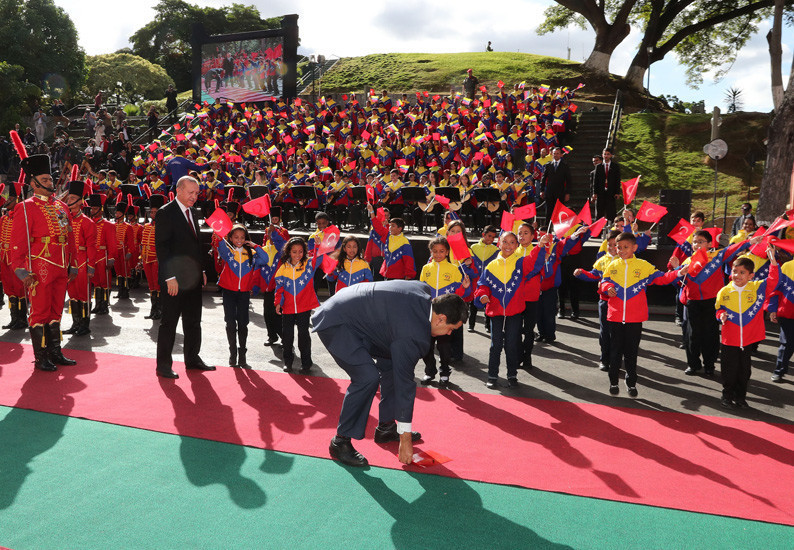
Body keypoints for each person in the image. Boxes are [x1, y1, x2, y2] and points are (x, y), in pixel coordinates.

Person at [313, 281, 467, 467]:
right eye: (450, 329)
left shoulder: (424, 294)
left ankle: (386, 427)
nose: (448, 334)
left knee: (392, 363)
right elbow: (405, 385)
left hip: (360, 319)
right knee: (367, 377)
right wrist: (406, 439)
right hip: (336, 322)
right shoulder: (413, 334)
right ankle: (340, 442)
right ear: (440, 319)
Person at [9, 154, 78, 371]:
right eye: (45, 180)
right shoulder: (25, 208)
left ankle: (55, 352)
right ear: (34, 183)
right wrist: (21, 271)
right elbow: (17, 243)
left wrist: (73, 262)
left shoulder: (62, 207)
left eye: (50, 179)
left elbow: (69, 237)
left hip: (61, 265)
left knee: (56, 310)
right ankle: (41, 357)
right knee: (40, 312)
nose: (50, 183)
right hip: (39, 267)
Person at [600, 232, 688, 397]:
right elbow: (603, 282)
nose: (621, 250)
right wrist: (606, 288)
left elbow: (661, 278)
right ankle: (613, 381)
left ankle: (631, 382)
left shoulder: (643, 265)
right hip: (615, 316)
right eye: (618, 247)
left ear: (634, 247)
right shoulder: (612, 265)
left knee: (631, 353)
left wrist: (678, 272)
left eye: (625, 247)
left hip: (635, 318)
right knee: (615, 351)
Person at [154, 175, 215, 379]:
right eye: (190, 192)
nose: (194, 197)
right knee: (169, 323)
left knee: (193, 321)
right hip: (174, 280)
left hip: (193, 278)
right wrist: (169, 276)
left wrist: (202, 271)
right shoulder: (166, 213)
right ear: (178, 190)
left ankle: (192, 359)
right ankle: (163, 365)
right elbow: (162, 247)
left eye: (197, 193)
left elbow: (195, 245)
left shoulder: (193, 211)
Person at [475, 231, 549, 388]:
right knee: (495, 345)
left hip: (514, 311)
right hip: (495, 312)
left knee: (511, 344)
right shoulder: (491, 266)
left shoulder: (521, 263)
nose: (508, 245)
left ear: (517, 246)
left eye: (512, 242)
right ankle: (492, 376)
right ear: (499, 244)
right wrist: (482, 295)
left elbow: (534, 262)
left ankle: (512, 375)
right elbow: (482, 285)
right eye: (505, 242)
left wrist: (540, 246)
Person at [716, 253, 778, 409]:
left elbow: (774, 280)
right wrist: (721, 315)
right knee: (729, 371)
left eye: (742, 272)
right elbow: (718, 310)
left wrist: (773, 262)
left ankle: (740, 397)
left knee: (744, 372)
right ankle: (727, 396)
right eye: (734, 271)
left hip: (749, 339)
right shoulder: (724, 291)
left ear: (751, 275)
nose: (737, 275)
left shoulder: (757, 288)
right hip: (729, 339)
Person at [216, 224, 271, 368]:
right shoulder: (228, 252)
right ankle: (232, 353)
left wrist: (255, 245)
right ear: (231, 238)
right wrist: (219, 236)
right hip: (228, 292)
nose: (239, 240)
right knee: (230, 323)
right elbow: (221, 246)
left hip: (244, 294)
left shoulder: (252, 254)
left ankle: (242, 354)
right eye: (236, 237)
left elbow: (265, 259)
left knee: (243, 324)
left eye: (242, 237)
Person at [419, 236, 471, 387]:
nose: (438, 254)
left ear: (447, 252)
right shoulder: (426, 269)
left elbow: (458, 294)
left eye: (441, 251)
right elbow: (421, 290)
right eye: (434, 251)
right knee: (427, 347)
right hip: (429, 315)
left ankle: (444, 372)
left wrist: (464, 287)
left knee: (444, 347)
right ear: (431, 252)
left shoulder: (454, 269)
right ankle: (430, 371)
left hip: (446, 317)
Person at [274, 237, 324, 372]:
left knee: (303, 335)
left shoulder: (308, 264)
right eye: (294, 252)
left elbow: (318, 259)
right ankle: (288, 362)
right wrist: (278, 302)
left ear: (304, 252)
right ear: (288, 252)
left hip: (304, 307)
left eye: (300, 251)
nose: (297, 255)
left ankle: (306, 362)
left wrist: (319, 246)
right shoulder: (283, 267)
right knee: (287, 336)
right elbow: (279, 288)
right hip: (288, 308)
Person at [62, 181, 97, 336]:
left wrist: (91, 266)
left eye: (72, 198)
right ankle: (75, 323)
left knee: (83, 295)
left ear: (80, 201)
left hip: (82, 262)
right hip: (69, 263)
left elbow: (91, 246)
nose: (69, 201)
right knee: (73, 295)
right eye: (68, 198)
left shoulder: (87, 222)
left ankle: (84, 324)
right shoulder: (65, 220)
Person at [140, 194, 164, 320]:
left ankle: (159, 310)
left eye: (155, 212)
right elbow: (143, 243)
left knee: (158, 285)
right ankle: (153, 310)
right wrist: (141, 259)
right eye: (152, 212)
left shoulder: (163, 227)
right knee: (151, 286)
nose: (153, 214)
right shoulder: (147, 226)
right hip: (146, 259)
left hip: (156, 259)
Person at [539, 147, 572, 220]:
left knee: (559, 211)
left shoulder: (565, 165)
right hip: (549, 192)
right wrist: (542, 190)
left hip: (560, 192)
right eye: (554, 153)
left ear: (561, 155)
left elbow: (568, 180)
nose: (556, 155)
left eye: (557, 153)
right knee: (549, 211)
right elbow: (543, 178)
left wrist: (567, 193)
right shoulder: (548, 165)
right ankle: (547, 227)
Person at [591, 147, 621, 223]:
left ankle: (612, 231)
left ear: (611, 155)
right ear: (602, 155)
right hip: (601, 193)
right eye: (605, 154)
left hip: (611, 193)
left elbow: (617, 180)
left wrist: (617, 192)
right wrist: (595, 193)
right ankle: (598, 233)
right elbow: (595, 181)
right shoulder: (598, 166)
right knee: (599, 214)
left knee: (611, 213)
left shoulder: (615, 166)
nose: (606, 156)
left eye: (608, 154)